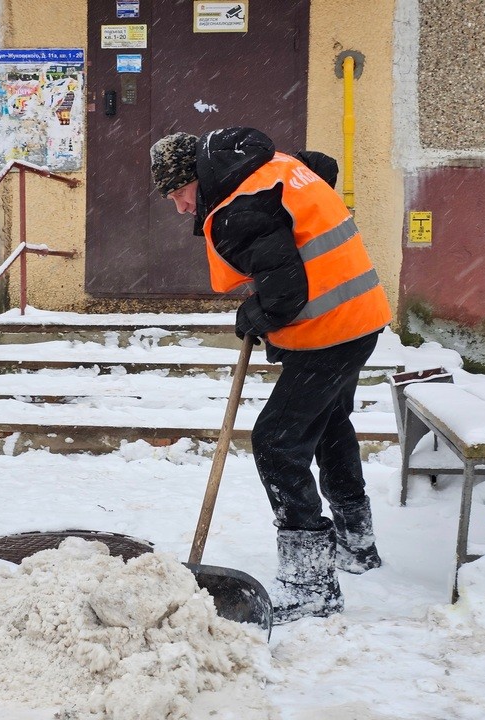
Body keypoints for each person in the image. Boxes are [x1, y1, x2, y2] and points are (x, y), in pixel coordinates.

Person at [149, 127, 393, 623]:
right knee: (327, 425)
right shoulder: (272, 168)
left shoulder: (237, 211)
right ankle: (355, 541)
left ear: (197, 177)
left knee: (277, 441)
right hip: (359, 315)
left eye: (179, 194)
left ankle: (311, 585)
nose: (179, 208)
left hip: (330, 331)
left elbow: (285, 294)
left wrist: (257, 313)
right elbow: (322, 165)